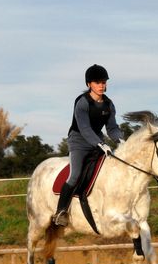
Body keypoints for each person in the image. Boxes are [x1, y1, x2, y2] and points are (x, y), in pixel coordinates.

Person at [52, 64, 123, 226]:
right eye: (97, 82)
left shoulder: (109, 105)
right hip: (78, 142)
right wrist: (100, 143)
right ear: (88, 84)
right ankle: (61, 211)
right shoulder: (82, 103)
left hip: (97, 142)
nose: (101, 86)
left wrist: (121, 140)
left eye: (104, 82)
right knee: (75, 174)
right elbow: (84, 129)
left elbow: (112, 128)